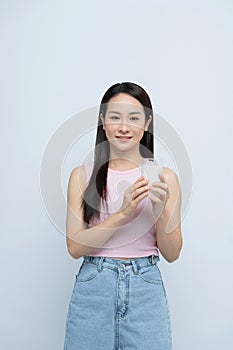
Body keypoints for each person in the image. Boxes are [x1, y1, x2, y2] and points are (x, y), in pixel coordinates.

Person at [63, 82, 183, 350]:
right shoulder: (82, 176)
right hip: (93, 288)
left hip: (146, 289)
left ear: (147, 123)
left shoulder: (166, 179)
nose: (124, 127)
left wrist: (161, 211)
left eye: (134, 118)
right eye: (115, 117)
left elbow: (173, 253)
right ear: (103, 121)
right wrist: (123, 214)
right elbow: (74, 246)